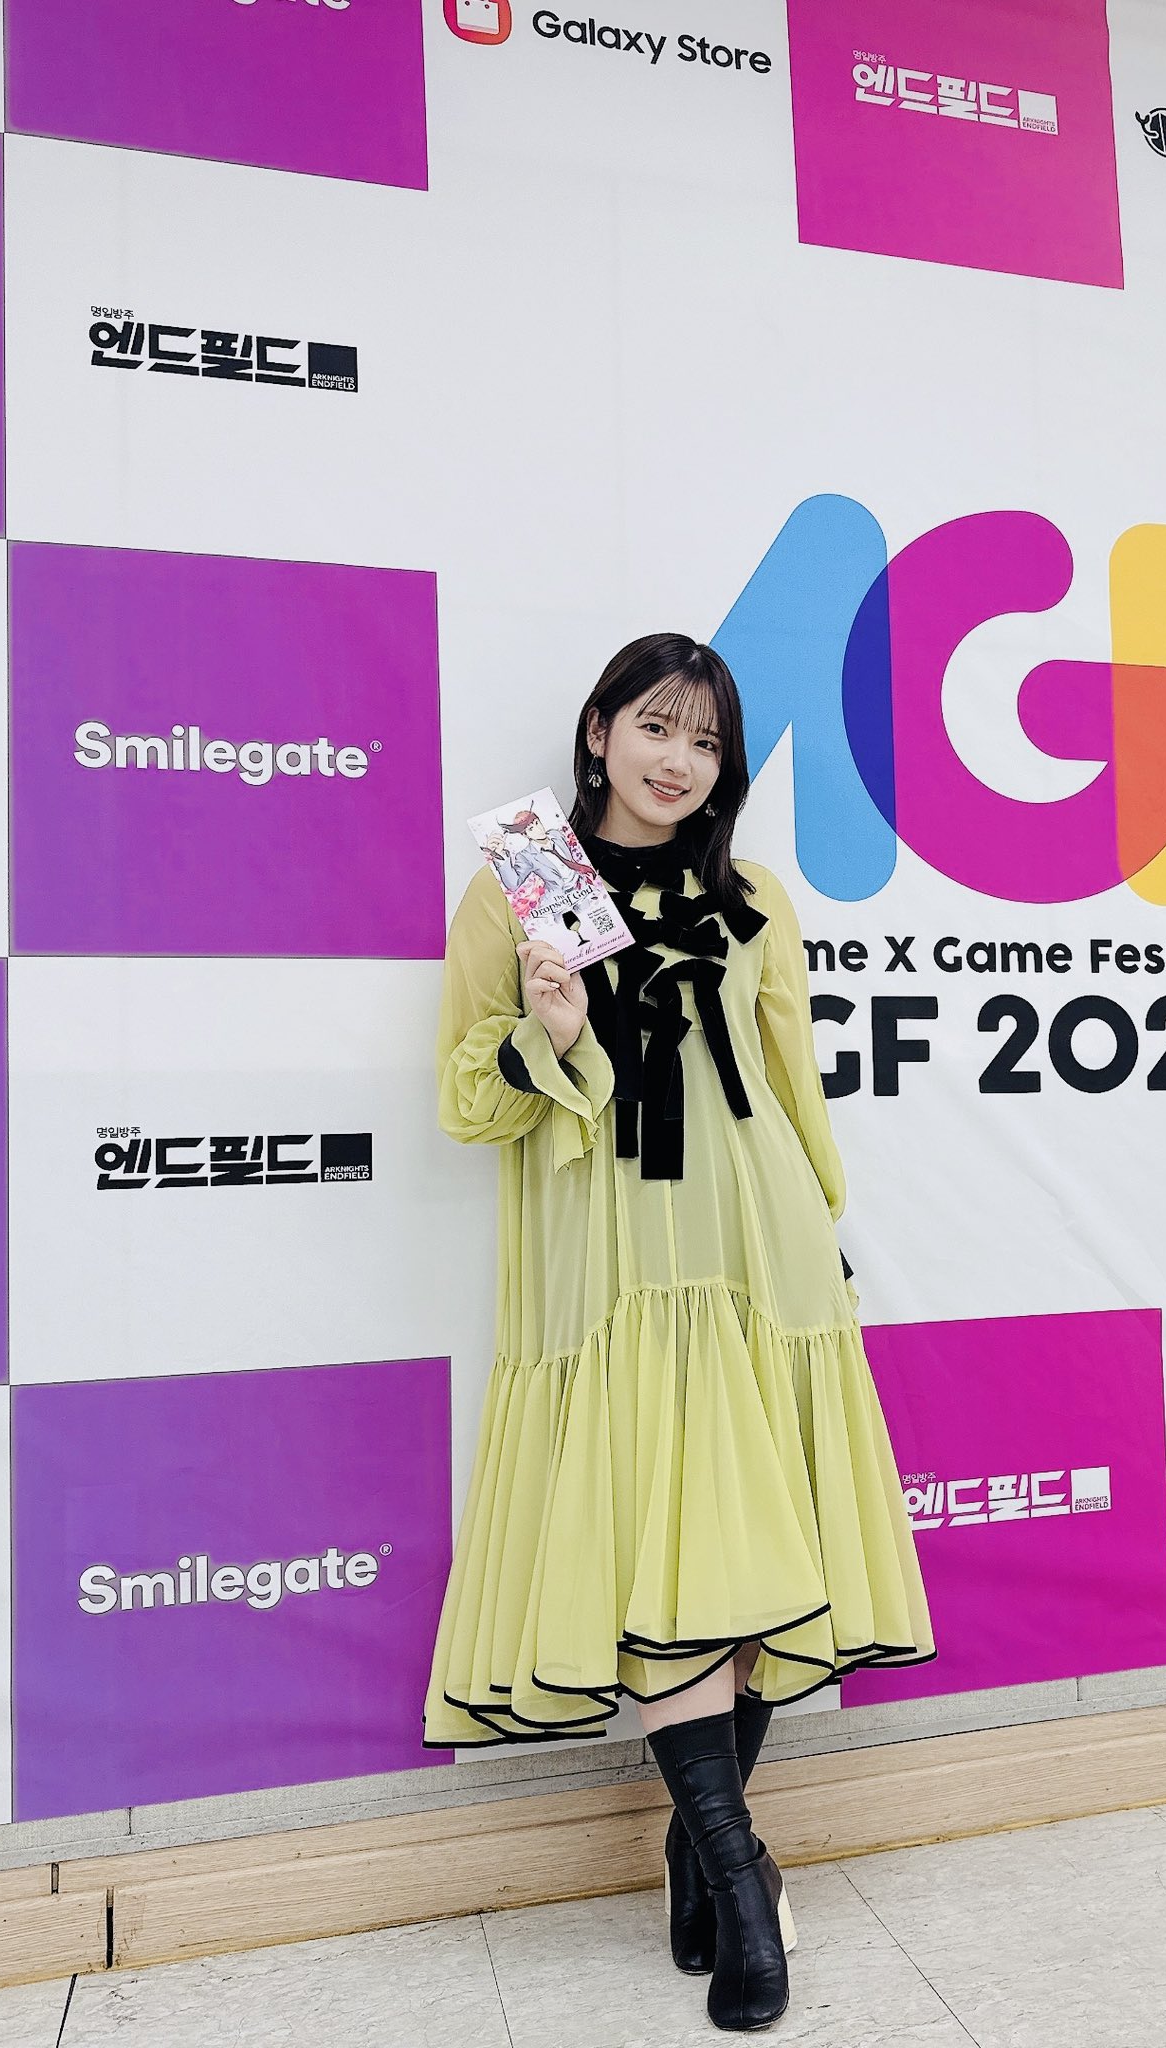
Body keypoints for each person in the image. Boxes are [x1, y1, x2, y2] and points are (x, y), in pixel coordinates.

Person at [423, 634, 935, 2032]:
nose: (678, 761)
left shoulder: (753, 899)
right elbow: (465, 1102)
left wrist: (823, 1235)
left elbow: (791, 1085)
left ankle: (698, 1858)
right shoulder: (526, 887)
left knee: (762, 1553)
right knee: (664, 1545)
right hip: (610, 1258)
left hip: (759, 1247)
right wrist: (544, 1027)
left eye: (706, 743)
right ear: (598, 732)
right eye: (657, 727)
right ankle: (735, 1867)